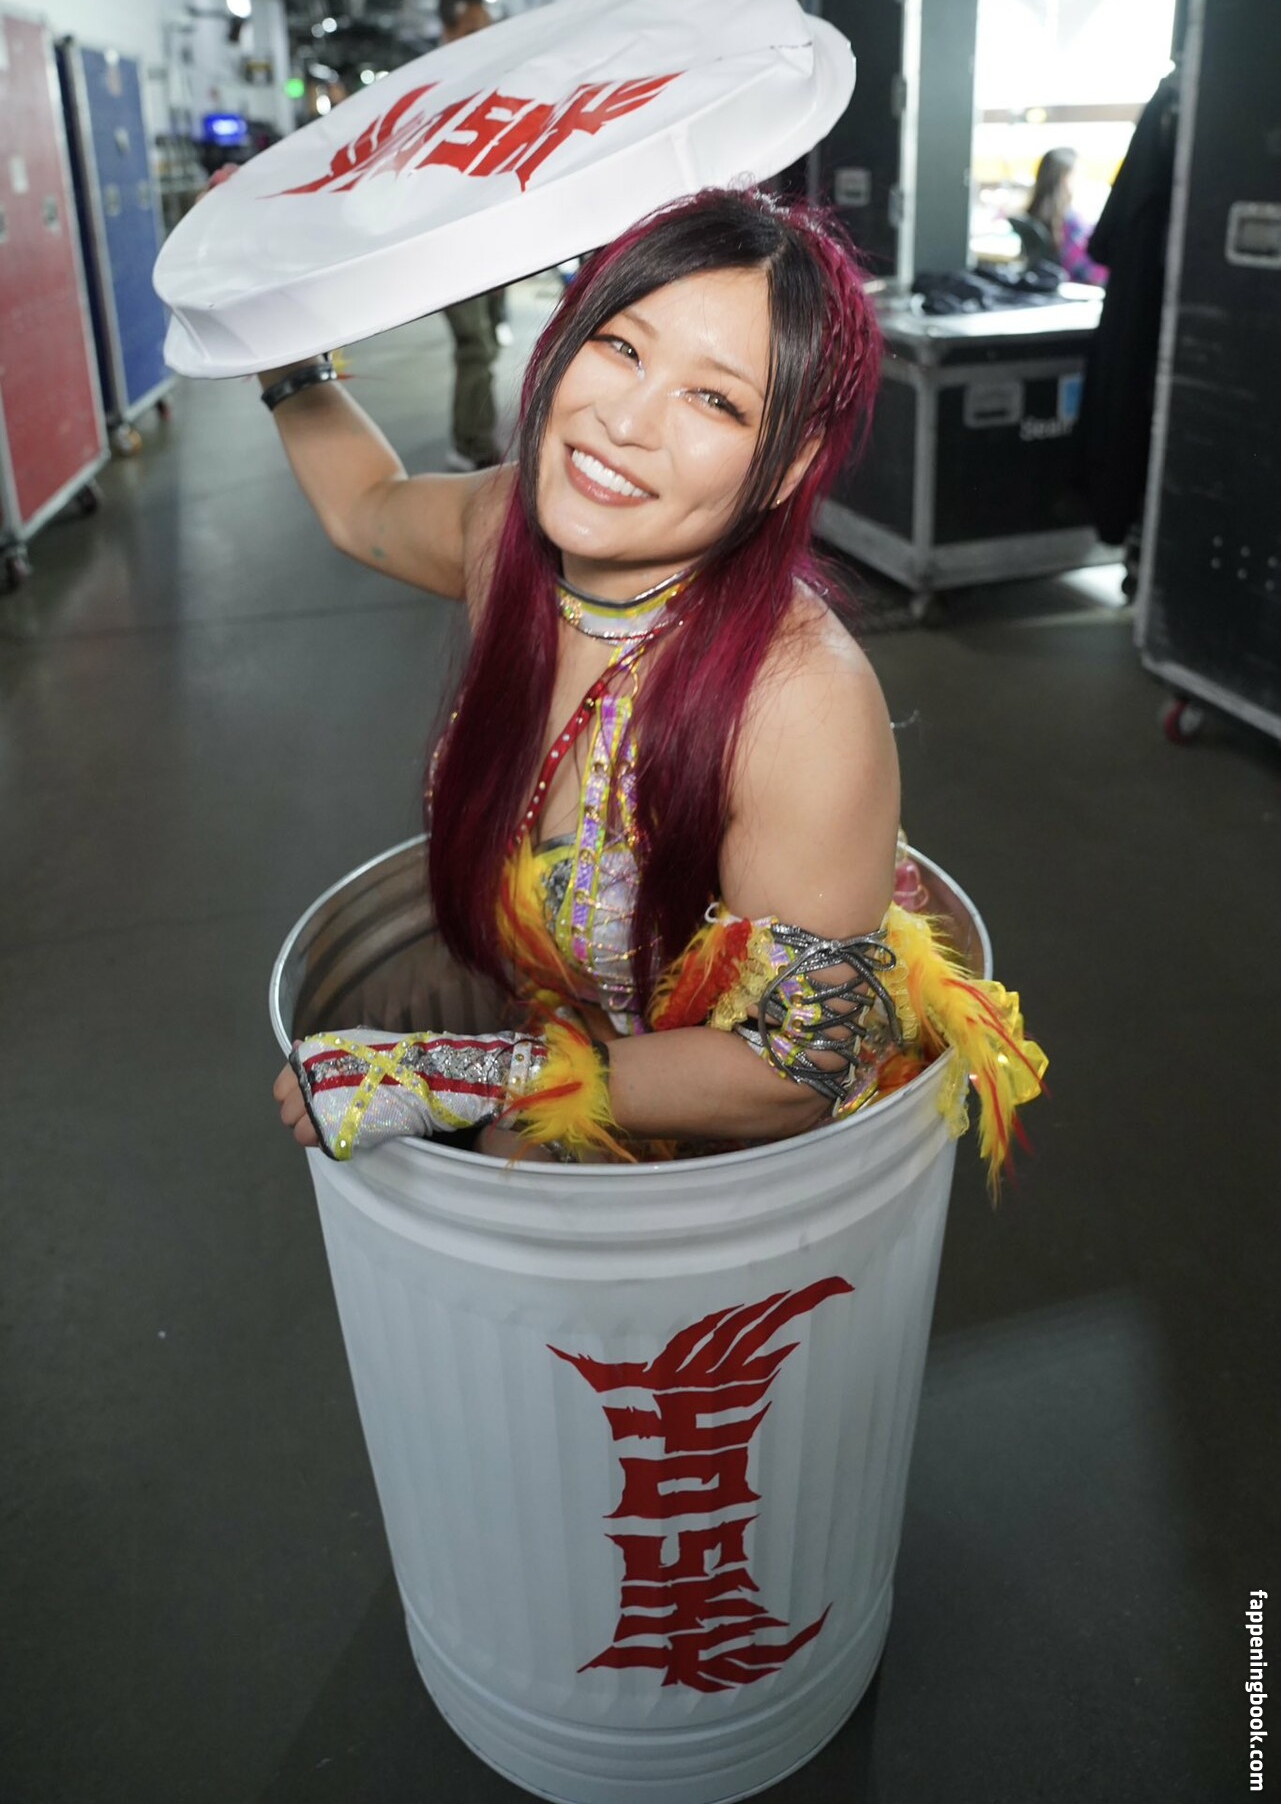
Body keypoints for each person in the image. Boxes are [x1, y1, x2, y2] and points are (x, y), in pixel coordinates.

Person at [263, 187, 1045, 1183]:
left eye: (715, 400)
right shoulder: (503, 532)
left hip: (736, 1180)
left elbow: (799, 1068)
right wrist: (276, 342)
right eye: (621, 346)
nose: (624, 422)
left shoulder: (797, 700)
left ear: (786, 465)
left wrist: (457, 1073)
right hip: (560, 1063)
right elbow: (365, 505)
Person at [436, 0, 509, 467]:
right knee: (475, 344)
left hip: (492, 235)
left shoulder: (492, 84)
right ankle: (472, 446)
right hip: (448, 241)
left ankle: (472, 433)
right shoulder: (431, 92)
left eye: (485, 28)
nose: (481, 38)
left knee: (489, 338)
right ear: (447, 33)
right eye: (469, 31)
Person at [1025, 146, 1108, 286]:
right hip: (1073, 290)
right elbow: (1089, 273)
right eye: (1079, 174)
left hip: (1043, 288)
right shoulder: (1069, 223)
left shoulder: (1031, 216)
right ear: (1065, 178)